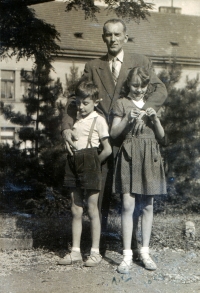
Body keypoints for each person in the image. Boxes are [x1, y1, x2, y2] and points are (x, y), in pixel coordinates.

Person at [61, 18, 167, 252]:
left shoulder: (139, 61)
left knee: (136, 196)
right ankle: (98, 246)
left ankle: (138, 246)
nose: (113, 39)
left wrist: (139, 112)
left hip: (133, 140)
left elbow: (160, 89)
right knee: (99, 194)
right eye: (108, 35)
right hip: (104, 141)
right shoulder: (93, 66)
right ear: (103, 38)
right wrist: (67, 126)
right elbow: (75, 99)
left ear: (125, 37)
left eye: (117, 35)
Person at [110, 67, 167, 274]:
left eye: (143, 85)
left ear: (148, 86)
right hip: (129, 155)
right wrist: (127, 119)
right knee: (127, 204)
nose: (139, 89)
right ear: (128, 85)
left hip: (149, 156)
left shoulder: (153, 106)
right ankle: (127, 255)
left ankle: (145, 252)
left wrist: (155, 120)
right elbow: (114, 133)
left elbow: (162, 137)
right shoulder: (122, 103)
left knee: (148, 206)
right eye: (135, 85)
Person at [58, 80, 112, 266]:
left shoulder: (99, 120)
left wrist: (95, 164)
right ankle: (75, 251)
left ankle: (95, 252)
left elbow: (107, 149)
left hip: (91, 164)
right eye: (79, 102)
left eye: (85, 103)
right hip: (73, 162)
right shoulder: (76, 118)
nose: (80, 107)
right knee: (76, 208)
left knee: (92, 209)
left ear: (96, 102)